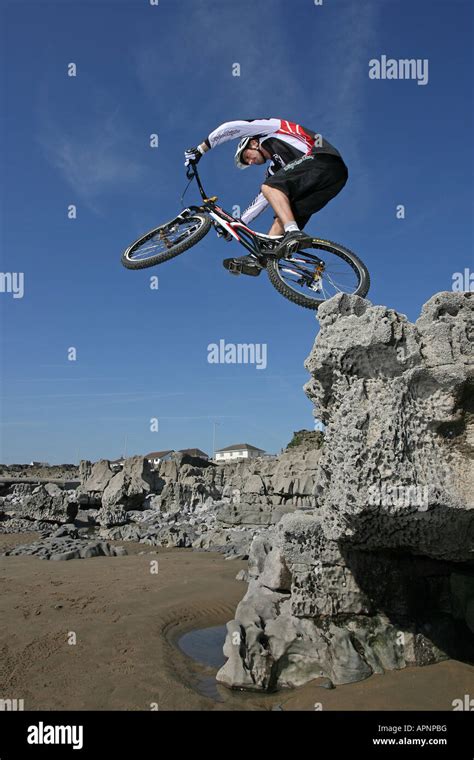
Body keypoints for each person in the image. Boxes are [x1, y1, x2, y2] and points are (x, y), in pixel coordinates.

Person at [184, 118, 348, 276]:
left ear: (253, 143)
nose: (250, 162)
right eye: (247, 162)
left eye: (246, 156)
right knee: (281, 218)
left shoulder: (270, 130)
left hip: (324, 159)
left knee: (271, 187)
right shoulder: (275, 169)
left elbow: (230, 127)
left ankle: (293, 232)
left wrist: (200, 149)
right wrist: (238, 223)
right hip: (332, 182)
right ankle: (259, 260)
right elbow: (264, 199)